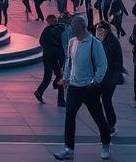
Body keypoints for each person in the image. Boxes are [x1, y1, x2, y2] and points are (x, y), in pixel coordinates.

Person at [53, 15, 111, 161]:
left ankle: (106, 144)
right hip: (74, 87)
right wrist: (66, 78)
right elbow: (69, 62)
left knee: (98, 117)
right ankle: (69, 148)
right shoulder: (72, 42)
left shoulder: (94, 43)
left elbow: (102, 64)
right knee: (69, 117)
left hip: (89, 88)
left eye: (73, 27)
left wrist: (95, 82)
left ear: (81, 27)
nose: (71, 29)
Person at [96, 20, 124, 137]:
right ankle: (108, 124)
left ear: (106, 30)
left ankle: (112, 125)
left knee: (106, 100)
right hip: (105, 76)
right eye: (98, 29)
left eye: (100, 29)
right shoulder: (105, 41)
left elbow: (105, 58)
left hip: (110, 76)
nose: (98, 31)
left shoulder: (111, 42)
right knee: (103, 100)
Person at [36, 15, 66, 105]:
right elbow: (62, 43)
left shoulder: (47, 30)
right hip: (56, 57)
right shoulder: (60, 29)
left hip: (48, 56)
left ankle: (39, 92)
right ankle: (60, 100)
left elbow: (41, 42)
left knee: (49, 77)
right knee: (58, 77)